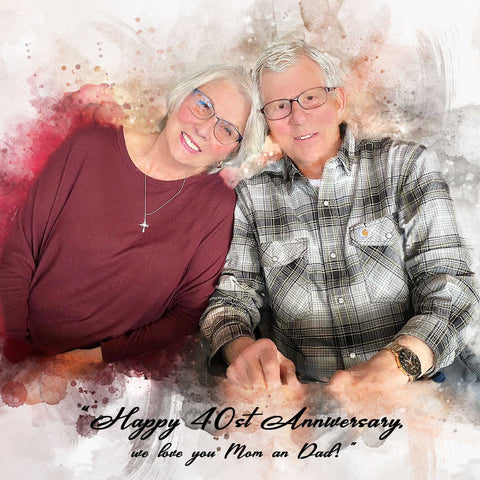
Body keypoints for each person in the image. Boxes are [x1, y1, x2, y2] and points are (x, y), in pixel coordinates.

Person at [200, 41, 479, 392]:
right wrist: (243, 351)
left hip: (415, 387)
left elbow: (451, 287)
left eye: (311, 97)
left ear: (339, 100)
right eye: (279, 106)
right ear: (267, 122)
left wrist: (393, 366)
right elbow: (231, 301)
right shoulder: (252, 196)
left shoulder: (406, 165)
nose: (298, 116)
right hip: (306, 404)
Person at [0, 64, 265, 364]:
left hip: (106, 376)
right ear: (180, 97)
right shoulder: (89, 144)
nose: (203, 129)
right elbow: (20, 254)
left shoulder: (219, 207)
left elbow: (186, 315)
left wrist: (82, 363)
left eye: (227, 130)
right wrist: (17, 351)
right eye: (203, 105)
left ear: (232, 151)